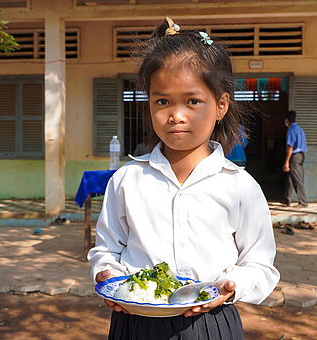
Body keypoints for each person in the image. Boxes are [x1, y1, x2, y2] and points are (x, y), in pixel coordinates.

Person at [88, 17, 280, 340]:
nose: (176, 115)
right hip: (136, 323)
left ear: (220, 105)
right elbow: (106, 248)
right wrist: (106, 274)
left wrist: (231, 287)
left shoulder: (239, 187)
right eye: (162, 101)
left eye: (193, 101)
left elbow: (261, 265)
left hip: (210, 324)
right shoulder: (126, 181)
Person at [283, 110, 308, 207]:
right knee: (290, 177)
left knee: (297, 179)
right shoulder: (300, 129)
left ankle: (303, 202)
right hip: (301, 155)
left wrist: (286, 162)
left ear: (287, 120)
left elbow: (290, 147)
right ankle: (286, 199)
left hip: (295, 156)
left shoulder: (291, 131)